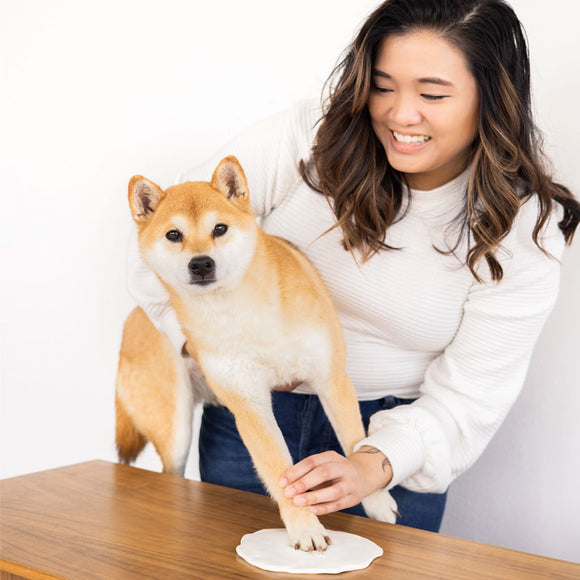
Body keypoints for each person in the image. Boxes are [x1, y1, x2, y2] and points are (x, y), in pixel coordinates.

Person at [126, 0, 580, 533]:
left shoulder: (523, 230)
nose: (400, 114)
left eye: (432, 94)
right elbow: (162, 246)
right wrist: (213, 355)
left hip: (391, 441)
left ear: (492, 99)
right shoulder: (303, 140)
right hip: (251, 422)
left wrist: (371, 466)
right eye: (383, 86)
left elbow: (470, 399)